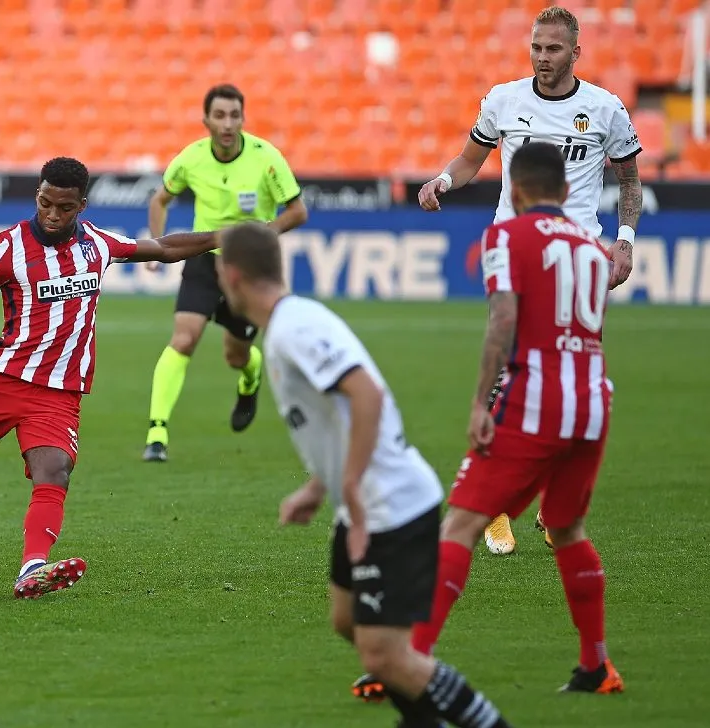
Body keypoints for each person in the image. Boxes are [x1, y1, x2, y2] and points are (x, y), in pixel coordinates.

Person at [0, 157, 222, 600]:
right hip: (2, 380)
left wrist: (223, 237)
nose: (53, 215)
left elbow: (165, 248)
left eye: (65, 207)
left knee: (54, 471)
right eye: (45, 203)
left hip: (59, 392)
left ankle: (31, 569)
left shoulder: (97, 243)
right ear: (37, 195)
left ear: (82, 206)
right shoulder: (8, 247)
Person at [216, 221, 515, 728]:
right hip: (361, 502)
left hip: (390, 503)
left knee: (384, 656)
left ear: (233, 275)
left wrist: (349, 487)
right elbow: (340, 415)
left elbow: (366, 395)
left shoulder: (295, 327)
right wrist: (319, 485)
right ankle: (425, 718)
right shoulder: (289, 324)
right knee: (348, 622)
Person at [417, 5, 643, 557]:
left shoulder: (605, 109)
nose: (543, 57)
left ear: (575, 52)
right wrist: (444, 179)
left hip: (583, 257)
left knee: (574, 381)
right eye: (537, 47)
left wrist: (626, 240)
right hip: (516, 252)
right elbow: (470, 160)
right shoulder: (503, 101)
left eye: (554, 49)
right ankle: (496, 505)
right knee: (510, 368)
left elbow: (630, 180)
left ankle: (551, 506)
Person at [409, 142, 624, 696]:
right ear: (568, 190)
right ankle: (596, 665)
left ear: (516, 189)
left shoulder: (505, 236)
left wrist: (482, 401)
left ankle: (407, 663)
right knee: (570, 528)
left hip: (537, 399)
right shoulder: (593, 249)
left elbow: (503, 320)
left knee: (459, 524)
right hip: (593, 399)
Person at [141, 83, 308, 463]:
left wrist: (267, 232)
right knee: (184, 339)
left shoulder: (267, 158)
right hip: (203, 260)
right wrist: (155, 246)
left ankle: (250, 377)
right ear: (206, 120)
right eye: (220, 115)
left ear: (243, 119)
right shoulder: (191, 159)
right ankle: (157, 432)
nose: (228, 123)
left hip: (247, 267)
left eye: (235, 115)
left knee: (236, 355)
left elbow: (297, 211)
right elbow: (159, 198)